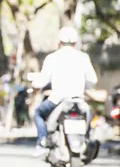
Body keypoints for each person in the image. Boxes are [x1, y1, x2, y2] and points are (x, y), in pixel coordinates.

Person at [31, 26, 98, 156]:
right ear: (75, 43)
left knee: (38, 113)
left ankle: (42, 142)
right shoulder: (83, 57)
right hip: (79, 100)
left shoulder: (52, 57)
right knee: (89, 116)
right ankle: (87, 140)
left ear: (59, 42)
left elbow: (43, 80)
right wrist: (86, 87)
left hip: (57, 99)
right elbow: (92, 80)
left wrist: (35, 85)